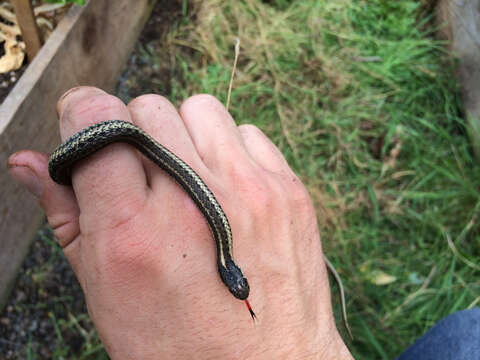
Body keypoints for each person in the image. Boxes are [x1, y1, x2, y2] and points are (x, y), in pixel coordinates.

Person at [7, 87, 479, 359]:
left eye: (236, 285)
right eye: (240, 285)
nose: (239, 289)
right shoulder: (223, 243)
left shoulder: (225, 253)